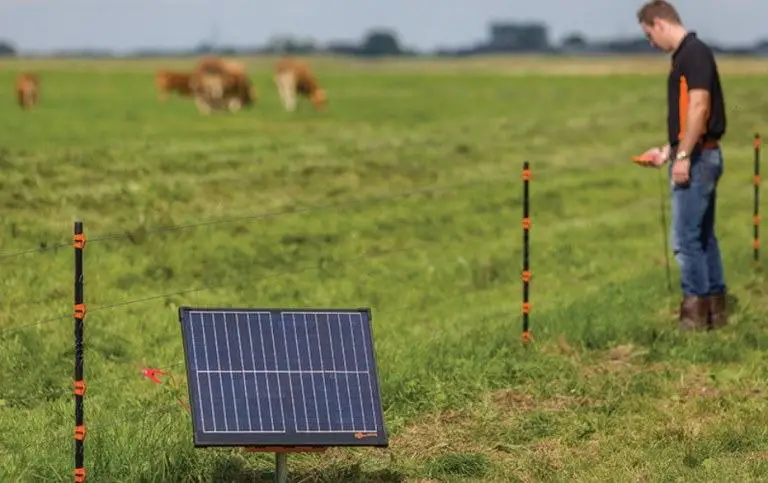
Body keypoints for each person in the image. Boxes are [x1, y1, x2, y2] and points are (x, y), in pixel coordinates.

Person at [635, 1, 728, 331]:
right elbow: (691, 115)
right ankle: (716, 311)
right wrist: (668, 151)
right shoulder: (689, 55)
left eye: (649, 35)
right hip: (700, 152)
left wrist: (684, 157)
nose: (650, 43)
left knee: (686, 240)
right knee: (703, 236)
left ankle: (694, 318)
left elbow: (700, 107)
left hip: (700, 157)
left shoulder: (693, 54)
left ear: (659, 23)